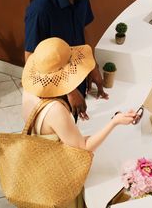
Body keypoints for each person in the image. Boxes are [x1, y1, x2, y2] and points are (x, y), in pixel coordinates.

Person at [22, 37, 137, 208]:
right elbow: (83, 149)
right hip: (58, 181)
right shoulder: (56, 110)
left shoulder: (28, 92)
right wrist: (115, 121)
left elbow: (54, 137)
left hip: (40, 172)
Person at [24, 0, 108, 121]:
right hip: (54, 92)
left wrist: (91, 64)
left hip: (77, 80)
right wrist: (68, 90)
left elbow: (84, 29)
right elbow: (31, 59)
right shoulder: (40, 10)